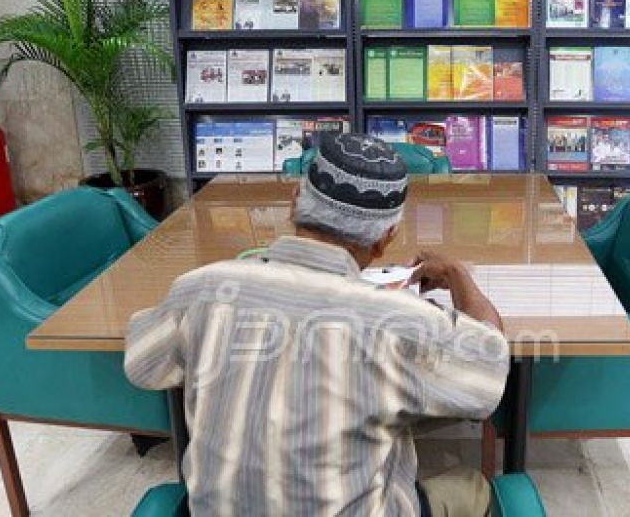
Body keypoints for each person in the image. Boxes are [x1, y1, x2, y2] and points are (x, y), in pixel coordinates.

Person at [125, 133, 509, 516]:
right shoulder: (402, 322)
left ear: (294, 203)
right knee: (472, 488)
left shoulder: (200, 289)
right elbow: (489, 369)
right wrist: (458, 274)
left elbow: (142, 366)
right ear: (384, 239)